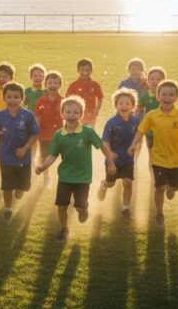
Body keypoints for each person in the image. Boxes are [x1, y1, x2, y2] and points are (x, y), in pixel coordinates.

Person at [128, 80, 178, 228]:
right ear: (158, 96)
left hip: (176, 160)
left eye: (171, 95)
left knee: (174, 187)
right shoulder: (151, 115)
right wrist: (133, 144)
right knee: (159, 187)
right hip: (158, 158)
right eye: (164, 94)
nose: (167, 97)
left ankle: (172, 188)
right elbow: (140, 131)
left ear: (176, 97)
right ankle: (159, 213)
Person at [37, 96, 115, 242]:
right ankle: (64, 228)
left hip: (82, 177)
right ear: (62, 114)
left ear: (81, 114)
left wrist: (110, 162)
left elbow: (102, 146)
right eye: (68, 112)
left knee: (79, 206)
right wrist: (43, 167)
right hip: (65, 176)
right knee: (61, 205)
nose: (71, 115)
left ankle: (83, 208)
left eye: (75, 112)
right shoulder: (59, 135)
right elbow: (52, 155)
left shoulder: (87, 132)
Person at [0, 82, 40, 222]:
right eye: (9, 97)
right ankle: (8, 209)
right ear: (4, 98)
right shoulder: (0, 116)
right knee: (7, 187)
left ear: (22, 99)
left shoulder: (28, 116)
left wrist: (25, 148)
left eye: (16, 97)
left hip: (24, 159)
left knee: (23, 187)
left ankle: (20, 189)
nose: (12, 100)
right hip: (6, 158)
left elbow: (35, 134)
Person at [97, 88, 140, 217]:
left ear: (133, 106)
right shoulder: (111, 123)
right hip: (113, 159)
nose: (124, 106)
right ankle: (104, 184)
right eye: (120, 103)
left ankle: (126, 208)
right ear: (115, 106)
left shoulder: (136, 122)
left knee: (128, 182)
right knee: (111, 183)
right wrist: (109, 154)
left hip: (128, 159)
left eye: (127, 103)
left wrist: (134, 147)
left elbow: (139, 135)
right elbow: (105, 141)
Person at [33, 70, 64, 187]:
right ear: (45, 85)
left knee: (64, 158)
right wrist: (35, 133)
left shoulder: (63, 101)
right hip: (44, 135)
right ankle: (46, 176)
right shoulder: (41, 102)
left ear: (60, 85)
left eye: (56, 83)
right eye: (50, 83)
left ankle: (63, 178)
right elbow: (37, 119)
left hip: (60, 136)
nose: (53, 86)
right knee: (44, 157)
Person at [65, 58, 103, 128]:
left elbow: (100, 98)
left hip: (91, 116)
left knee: (90, 134)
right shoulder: (73, 85)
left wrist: (96, 110)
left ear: (91, 71)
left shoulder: (95, 84)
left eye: (87, 70)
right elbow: (67, 100)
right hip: (77, 116)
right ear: (78, 71)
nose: (85, 72)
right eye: (82, 70)